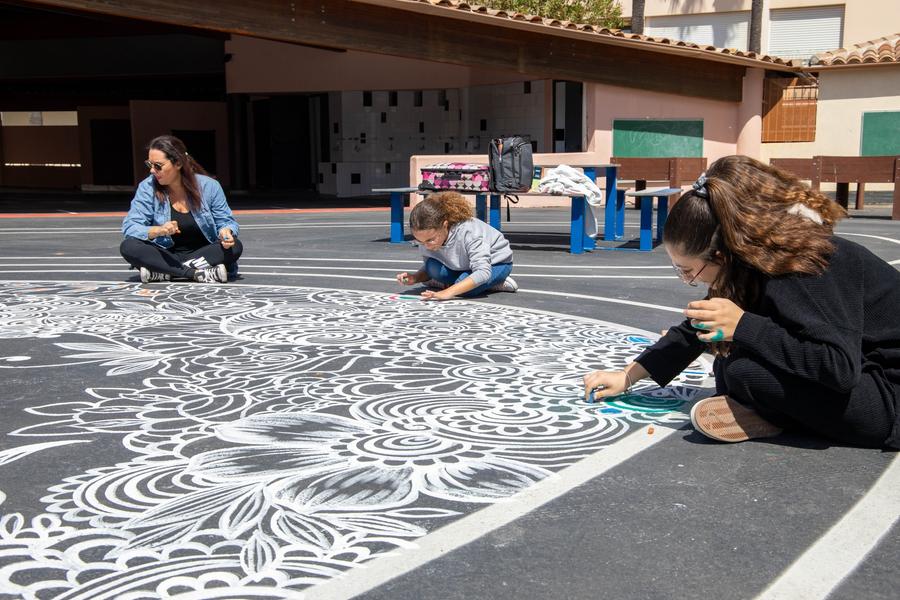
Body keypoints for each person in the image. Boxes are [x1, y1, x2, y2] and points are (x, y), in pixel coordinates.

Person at [583, 155, 900, 450]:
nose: (689, 281)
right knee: (730, 360)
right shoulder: (756, 259)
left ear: (721, 254)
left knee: (742, 370)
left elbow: (839, 368)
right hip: (863, 370)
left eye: (689, 271)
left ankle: (774, 417)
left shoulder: (804, 264)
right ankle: (770, 412)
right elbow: (698, 328)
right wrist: (628, 376)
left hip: (889, 395)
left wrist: (745, 326)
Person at [120, 135, 242, 283]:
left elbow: (226, 221)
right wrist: (159, 230)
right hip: (164, 253)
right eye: (149, 164)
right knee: (129, 246)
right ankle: (194, 273)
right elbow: (130, 227)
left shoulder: (209, 186)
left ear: (178, 163)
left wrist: (226, 231)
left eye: (158, 166)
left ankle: (165, 271)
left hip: (201, 254)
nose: (152, 170)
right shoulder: (147, 187)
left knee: (234, 246)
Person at [395, 191, 517, 300]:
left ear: (444, 225)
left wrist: (447, 292)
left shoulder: (469, 232)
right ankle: (463, 283)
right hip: (464, 266)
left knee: (467, 290)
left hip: (496, 264)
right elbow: (429, 267)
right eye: (421, 241)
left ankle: (497, 282)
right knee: (432, 267)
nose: (426, 246)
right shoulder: (428, 238)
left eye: (430, 240)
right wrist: (415, 278)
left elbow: (482, 272)